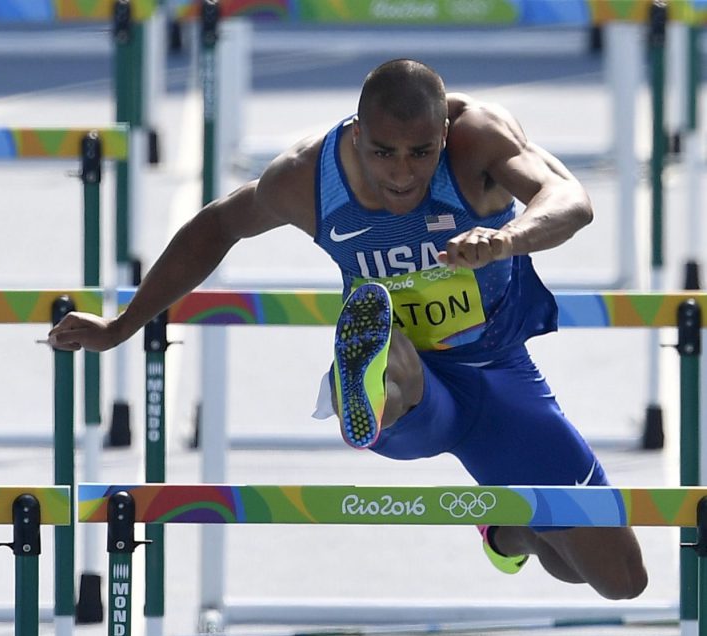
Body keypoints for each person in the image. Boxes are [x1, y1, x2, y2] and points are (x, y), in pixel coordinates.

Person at [47, 59, 647, 600]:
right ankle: (364, 380)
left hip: (499, 376)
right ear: (357, 134)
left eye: (421, 153)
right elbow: (218, 225)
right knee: (391, 347)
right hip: (412, 394)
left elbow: (569, 197)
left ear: (444, 136)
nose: (403, 173)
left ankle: (505, 533)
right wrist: (122, 324)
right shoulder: (306, 177)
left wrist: (507, 238)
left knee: (616, 578)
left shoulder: (479, 138)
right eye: (384, 152)